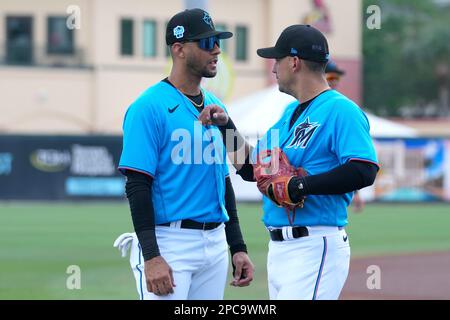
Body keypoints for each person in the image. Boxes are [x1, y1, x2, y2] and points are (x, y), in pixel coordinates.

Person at [199, 24, 379, 299]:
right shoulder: (288, 114)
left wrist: (300, 186)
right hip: (280, 250)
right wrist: (226, 126)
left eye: (277, 59)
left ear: (294, 62)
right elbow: (251, 169)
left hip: (316, 243)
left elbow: (363, 170)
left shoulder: (341, 110)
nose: (273, 68)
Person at [117, 8, 254, 300]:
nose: (216, 50)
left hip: (214, 243)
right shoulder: (148, 107)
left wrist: (237, 246)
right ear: (179, 49)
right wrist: (152, 256)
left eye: (217, 41)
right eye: (206, 43)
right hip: (170, 243)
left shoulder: (217, 106)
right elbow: (137, 186)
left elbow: (227, 179)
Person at [325, 60, 365, 213]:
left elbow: (354, 163)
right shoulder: (293, 108)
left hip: (326, 212)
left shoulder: (343, 109)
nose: (334, 83)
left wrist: (356, 193)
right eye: (330, 78)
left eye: (337, 79)